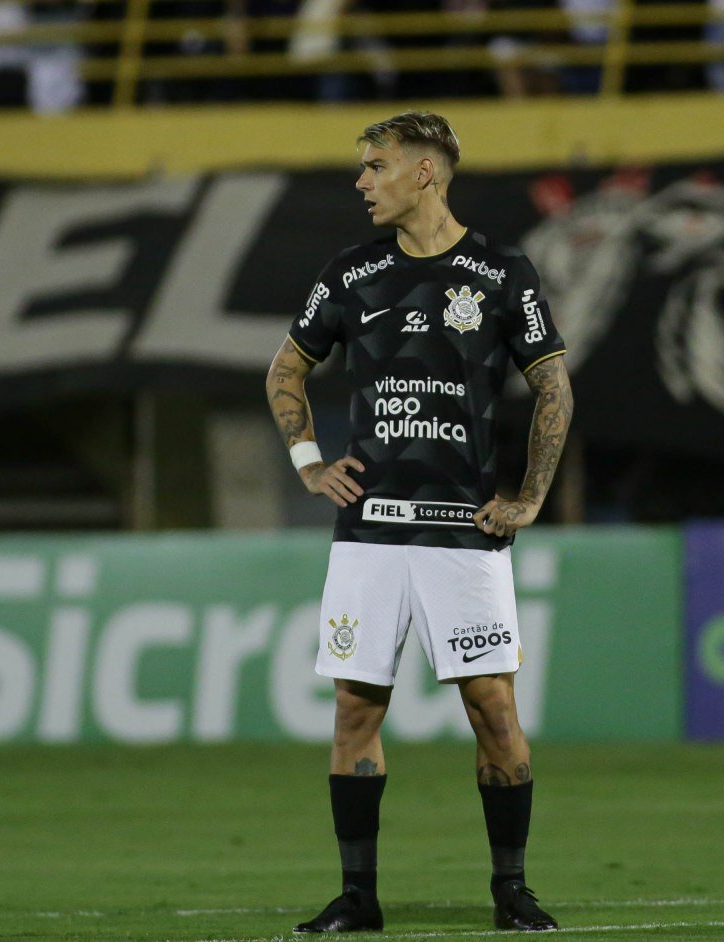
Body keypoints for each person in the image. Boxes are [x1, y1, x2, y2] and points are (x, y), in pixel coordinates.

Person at [265, 110, 573, 934]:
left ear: (424, 174)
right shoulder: (351, 272)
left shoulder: (501, 273)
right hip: (369, 530)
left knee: (494, 712)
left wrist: (531, 496)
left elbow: (553, 385)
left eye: (375, 166)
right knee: (356, 712)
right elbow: (287, 366)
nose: (362, 182)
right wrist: (308, 462)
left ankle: (512, 890)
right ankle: (358, 897)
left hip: (464, 531)